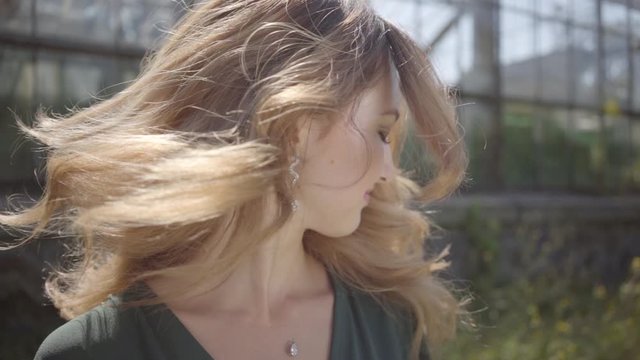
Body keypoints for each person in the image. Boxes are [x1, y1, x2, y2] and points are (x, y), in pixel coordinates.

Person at [0, 0, 469, 359]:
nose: (390, 171)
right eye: (381, 131)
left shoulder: (392, 323)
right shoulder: (95, 351)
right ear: (294, 122)